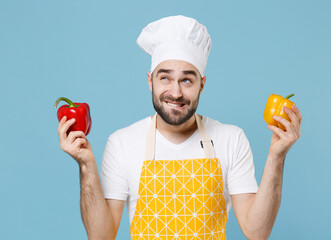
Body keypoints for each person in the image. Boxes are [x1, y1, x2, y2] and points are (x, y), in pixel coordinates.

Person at [57, 15, 302, 240]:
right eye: (165, 77)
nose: (175, 92)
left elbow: (257, 232)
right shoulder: (122, 143)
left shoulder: (231, 138)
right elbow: (101, 236)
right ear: (150, 81)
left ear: (202, 85)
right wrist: (86, 165)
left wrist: (276, 156)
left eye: (187, 79)